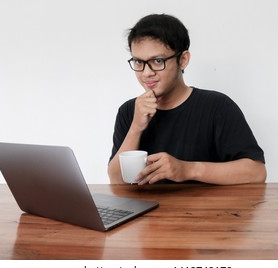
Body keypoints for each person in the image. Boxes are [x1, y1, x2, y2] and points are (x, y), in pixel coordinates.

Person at [108, 14, 266, 185]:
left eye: (158, 61)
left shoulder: (217, 107)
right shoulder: (129, 111)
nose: (146, 73)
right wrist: (136, 127)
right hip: (148, 211)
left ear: (183, 60)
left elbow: (256, 172)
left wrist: (187, 170)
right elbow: (116, 181)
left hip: (206, 211)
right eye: (138, 62)